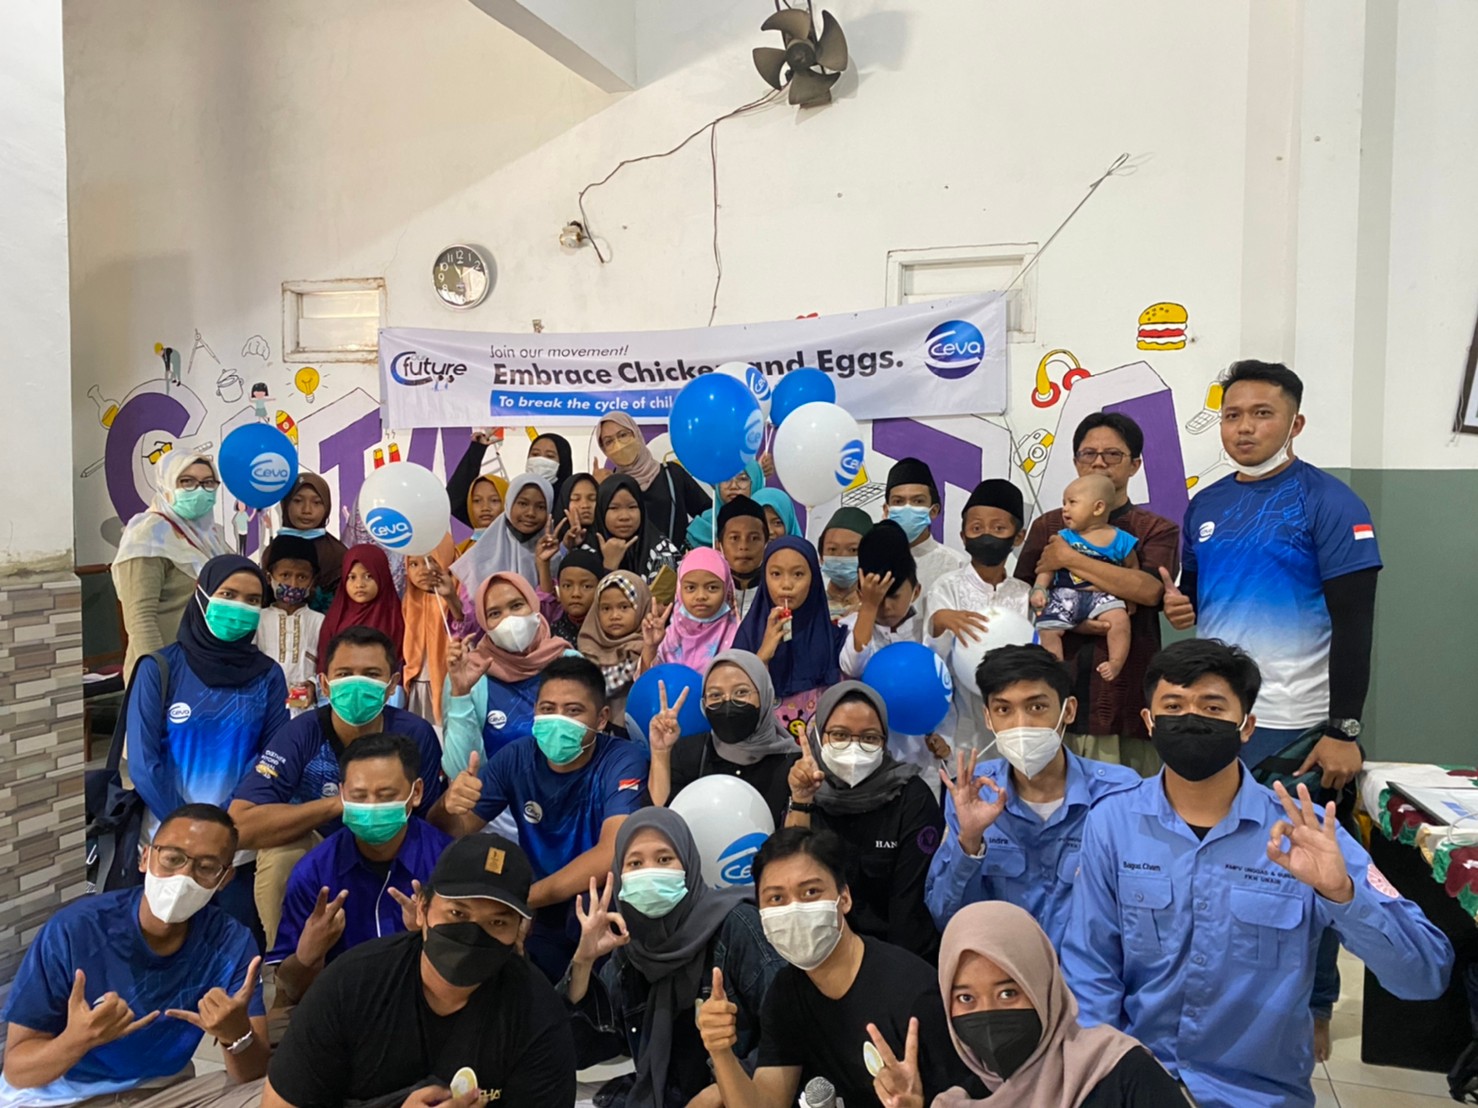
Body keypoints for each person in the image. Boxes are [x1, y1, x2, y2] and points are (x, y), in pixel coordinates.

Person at [1061, 639, 1453, 1108]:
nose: (1192, 719)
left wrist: (1343, 893)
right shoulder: (1112, 822)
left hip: (1256, 1094)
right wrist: (1106, 1078)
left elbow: (1424, 976)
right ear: (1149, 721)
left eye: (1212, 707)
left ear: (1246, 726)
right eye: (1174, 706)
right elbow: (1091, 966)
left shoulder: (1306, 832)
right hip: (1138, 1080)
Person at [1163, 362, 1382, 1053]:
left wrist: (1344, 729)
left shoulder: (1330, 502)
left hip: (1299, 725)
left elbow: (1356, 624)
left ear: (1295, 423)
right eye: (1232, 414)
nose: (1245, 427)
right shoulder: (1205, 505)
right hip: (1217, 719)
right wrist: (1180, 606)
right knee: (1218, 863)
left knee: (1305, 868)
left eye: (1262, 413)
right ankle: (1224, 996)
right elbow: (1194, 595)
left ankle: (1313, 1003)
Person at [261, 834, 577, 1108]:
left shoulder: (537, 1010)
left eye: (497, 922)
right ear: (422, 909)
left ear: (520, 930)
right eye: (457, 913)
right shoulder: (350, 984)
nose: (472, 935)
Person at [1, 805, 268, 1108]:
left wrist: (237, 1035)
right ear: (145, 858)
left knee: (272, 1094)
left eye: (206, 867)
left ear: (225, 878)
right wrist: (77, 1039)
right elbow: (18, 1071)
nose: (183, 877)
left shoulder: (231, 943)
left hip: (161, 1091)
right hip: (57, 1097)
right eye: (172, 859)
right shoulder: (75, 930)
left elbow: (252, 1075)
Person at [696, 828, 981, 1108]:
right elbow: (767, 1103)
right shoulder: (785, 993)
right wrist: (720, 1051)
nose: (794, 909)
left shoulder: (913, 991)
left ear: (844, 898)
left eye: (810, 892)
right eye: (776, 899)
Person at [434, 655, 650, 981]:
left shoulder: (623, 758)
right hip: (541, 911)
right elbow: (456, 830)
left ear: (602, 718)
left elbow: (611, 852)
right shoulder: (517, 756)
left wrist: (521, 900)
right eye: (548, 709)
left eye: (573, 710)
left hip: (603, 904)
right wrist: (447, 804)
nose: (558, 720)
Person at [228, 626, 446, 948]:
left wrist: (452, 803)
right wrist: (339, 804)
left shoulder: (416, 733)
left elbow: (430, 823)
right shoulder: (300, 734)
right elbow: (240, 826)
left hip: (394, 844)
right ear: (325, 684)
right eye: (345, 674)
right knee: (280, 857)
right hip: (323, 844)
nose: (357, 684)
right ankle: (288, 962)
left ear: (392, 685)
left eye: (371, 674)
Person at [565, 808, 785, 1108]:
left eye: (664, 859)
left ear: (688, 864)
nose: (650, 873)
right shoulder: (631, 949)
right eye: (635, 863)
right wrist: (583, 962)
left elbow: (788, 1032)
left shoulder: (736, 926)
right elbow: (578, 1052)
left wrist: (722, 1089)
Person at [925, 645, 1138, 947]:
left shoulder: (1119, 793)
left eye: (1036, 707)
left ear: (1068, 711)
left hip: (1090, 971)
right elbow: (945, 917)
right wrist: (970, 841)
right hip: (1002, 967)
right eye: (1004, 710)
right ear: (988, 718)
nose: (1021, 724)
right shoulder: (972, 793)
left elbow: (1136, 914)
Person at [127, 554, 288, 942]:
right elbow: (145, 763)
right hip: (168, 846)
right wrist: (190, 827)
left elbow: (270, 757)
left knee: (232, 947)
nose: (240, 607)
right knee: (163, 944)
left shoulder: (268, 676)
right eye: (228, 594)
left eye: (252, 600)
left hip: (236, 851)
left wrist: (224, 827)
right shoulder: (160, 669)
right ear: (201, 596)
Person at [1015, 412, 1179, 775]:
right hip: (1054, 698)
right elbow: (1022, 596)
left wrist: (1069, 559)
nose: (1099, 462)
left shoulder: (1155, 529)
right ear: (1076, 462)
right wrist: (1074, 620)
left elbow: (1149, 591)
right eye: (1088, 454)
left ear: (1135, 465)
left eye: (1113, 454)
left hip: (1128, 699)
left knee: (1130, 800)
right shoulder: (1048, 525)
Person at [921, 901, 1186, 1108]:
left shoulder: (1123, 1072)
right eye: (966, 998)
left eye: (1008, 993)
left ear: (1042, 988)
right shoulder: (959, 1100)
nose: (988, 1014)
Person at [270, 735, 453, 1007]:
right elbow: (291, 990)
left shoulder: (448, 863)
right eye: (358, 796)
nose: (371, 806)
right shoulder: (313, 873)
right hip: (340, 1010)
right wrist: (307, 956)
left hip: (427, 1006)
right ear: (342, 793)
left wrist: (429, 940)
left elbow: (468, 978)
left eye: (386, 796)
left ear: (416, 792)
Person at [785, 682, 943, 962]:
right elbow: (791, 877)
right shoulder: (803, 785)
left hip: (895, 956)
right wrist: (801, 799)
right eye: (840, 735)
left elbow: (910, 908)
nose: (854, 748)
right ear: (819, 736)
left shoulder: (911, 797)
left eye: (869, 738)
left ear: (884, 741)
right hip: (816, 950)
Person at [926, 479, 1036, 755]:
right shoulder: (946, 587)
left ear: (1018, 537)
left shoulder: (1025, 595)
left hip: (1014, 721)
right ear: (963, 536)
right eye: (977, 528)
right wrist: (939, 623)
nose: (987, 535)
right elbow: (934, 659)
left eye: (999, 528)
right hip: (958, 725)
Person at [648, 650, 800, 828]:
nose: (727, 703)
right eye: (715, 695)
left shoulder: (794, 764)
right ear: (704, 704)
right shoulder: (688, 753)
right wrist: (660, 752)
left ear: (764, 695)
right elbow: (658, 818)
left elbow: (799, 839)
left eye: (741, 692)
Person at [112, 451, 231, 677]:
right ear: (166, 485)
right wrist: (160, 672)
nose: (199, 490)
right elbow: (140, 618)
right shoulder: (147, 535)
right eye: (187, 481)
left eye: (208, 482)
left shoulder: (212, 536)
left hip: (208, 665)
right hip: (167, 668)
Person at [839, 520, 941, 778]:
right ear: (861, 593)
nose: (885, 607)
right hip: (868, 759)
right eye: (877, 598)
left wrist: (941, 736)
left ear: (916, 591)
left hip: (922, 761)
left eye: (894, 597)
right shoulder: (850, 626)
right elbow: (853, 665)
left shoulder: (927, 631)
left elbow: (943, 690)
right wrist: (868, 608)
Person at [440, 571, 568, 768]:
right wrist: (460, 694)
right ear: (484, 623)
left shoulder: (567, 662)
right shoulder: (470, 673)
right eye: (494, 614)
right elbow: (460, 770)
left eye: (516, 606)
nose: (509, 619)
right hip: (497, 787)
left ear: (534, 606)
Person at [1032, 475, 1139, 683]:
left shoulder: (1122, 539)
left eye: (1072, 502)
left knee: (1120, 621)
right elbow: (1047, 567)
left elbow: (1133, 569)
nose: (1064, 509)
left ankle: (1116, 662)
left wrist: (1131, 597)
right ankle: (1056, 672)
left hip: (1103, 595)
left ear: (1098, 508)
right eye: (1063, 503)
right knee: (1047, 630)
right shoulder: (1063, 538)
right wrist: (1039, 588)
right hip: (1064, 595)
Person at [733, 537, 845, 736]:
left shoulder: (833, 637)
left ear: (814, 578)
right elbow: (735, 700)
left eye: (798, 574)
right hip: (764, 745)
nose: (786, 584)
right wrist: (762, 656)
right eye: (776, 574)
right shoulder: (748, 634)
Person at [597, 412, 710, 548]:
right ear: (604, 450)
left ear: (636, 434)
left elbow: (708, 511)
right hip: (626, 561)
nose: (618, 445)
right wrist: (595, 490)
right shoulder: (610, 486)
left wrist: (690, 541)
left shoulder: (672, 474)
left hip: (676, 560)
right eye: (609, 441)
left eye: (623, 435)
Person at [401, 536, 470, 726]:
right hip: (417, 685)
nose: (422, 571)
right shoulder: (409, 601)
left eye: (431, 561)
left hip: (450, 682)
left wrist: (451, 599)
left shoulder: (463, 593)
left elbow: (468, 629)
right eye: (413, 564)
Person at [256, 535, 325, 717]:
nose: (293, 584)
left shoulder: (320, 622)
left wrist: (313, 685)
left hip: (304, 711)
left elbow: (327, 665)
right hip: (263, 708)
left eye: (302, 577)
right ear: (269, 577)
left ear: (312, 581)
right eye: (285, 575)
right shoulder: (258, 619)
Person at [450, 472, 553, 592]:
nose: (531, 513)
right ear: (509, 504)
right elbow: (469, 600)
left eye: (541, 507)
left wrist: (544, 565)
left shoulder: (552, 553)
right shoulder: (475, 555)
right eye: (523, 504)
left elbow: (554, 601)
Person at [315, 544, 405, 673]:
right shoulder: (335, 618)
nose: (359, 584)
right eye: (352, 577)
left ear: (382, 576)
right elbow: (325, 663)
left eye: (368, 576)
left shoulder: (395, 618)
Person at [884, 457, 966, 596]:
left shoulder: (957, 565)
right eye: (898, 501)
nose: (908, 508)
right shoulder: (873, 559)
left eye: (918, 501)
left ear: (934, 511)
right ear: (887, 511)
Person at [579, 570, 653, 724]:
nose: (614, 616)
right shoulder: (589, 643)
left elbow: (601, 687)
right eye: (606, 608)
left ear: (641, 607)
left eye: (624, 607)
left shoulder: (646, 646)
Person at [647, 547, 739, 670]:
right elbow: (648, 680)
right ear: (679, 590)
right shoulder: (668, 637)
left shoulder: (738, 636)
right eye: (691, 588)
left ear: (726, 589)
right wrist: (650, 647)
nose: (701, 596)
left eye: (712, 588)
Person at [584, 473, 682, 583]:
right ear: (601, 511)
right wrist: (609, 566)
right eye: (614, 508)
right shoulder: (586, 551)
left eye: (632, 507)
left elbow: (663, 593)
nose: (624, 517)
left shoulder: (663, 551)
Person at [277, 473, 348, 612]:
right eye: (298, 501)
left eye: (316, 502)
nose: (307, 510)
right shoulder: (275, 550)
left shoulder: (337, 554)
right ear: (286, 503)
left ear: (327, 506)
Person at [686, 460, 765, 549]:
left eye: (742, 479)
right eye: (726, 479)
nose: (733, 486)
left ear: (756, 482)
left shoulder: (768, 524)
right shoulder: (702, 527)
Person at [717, 496, 769, 622]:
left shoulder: (776, 592)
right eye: (734, 538)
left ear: (766, 543)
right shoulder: (708, 591)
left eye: (754, 538)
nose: (744, 546)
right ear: (719, 544)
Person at [818, 505, 874, 620]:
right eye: (832, 549)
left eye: (853, 550)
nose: (841, 558)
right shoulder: (812, 606)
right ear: (821, 556)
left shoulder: (877, 609)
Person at [542, 545, 605, 646]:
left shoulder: (609, 630)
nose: (576, 594)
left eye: (586, 586)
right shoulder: (551, 634)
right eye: (567, 586)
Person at [454, 472, 508, 556]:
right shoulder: (459, 553)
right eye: (477, 501)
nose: (485, 507)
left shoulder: (518, 547)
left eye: (494, 500)